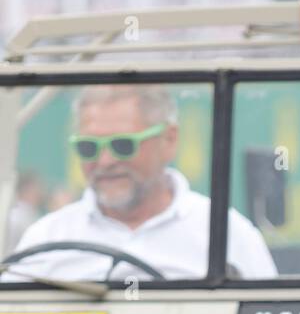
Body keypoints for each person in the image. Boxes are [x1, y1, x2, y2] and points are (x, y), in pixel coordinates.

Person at [1, 84, 277, 283]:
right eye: (88, 147)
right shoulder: (46, 239)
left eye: (123, 145)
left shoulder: (228, 235)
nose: (105, 160)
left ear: (169, 140)